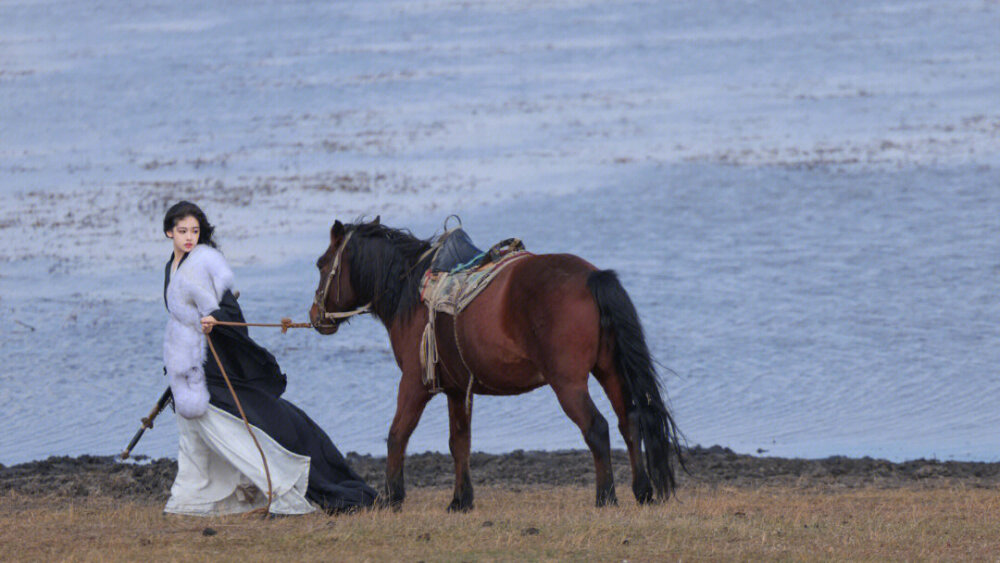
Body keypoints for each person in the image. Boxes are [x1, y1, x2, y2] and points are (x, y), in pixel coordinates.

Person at [161, 201, 377, 515]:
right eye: (182, 231)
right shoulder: (173, 267)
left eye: (195, 230)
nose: (189, 237)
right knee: (196, 435)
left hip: (216, 370)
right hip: (191, 366)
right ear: (169, 233)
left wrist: (214, 319)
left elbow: (231, 313)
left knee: (258, 429)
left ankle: (289, 490)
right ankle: (196, 499)